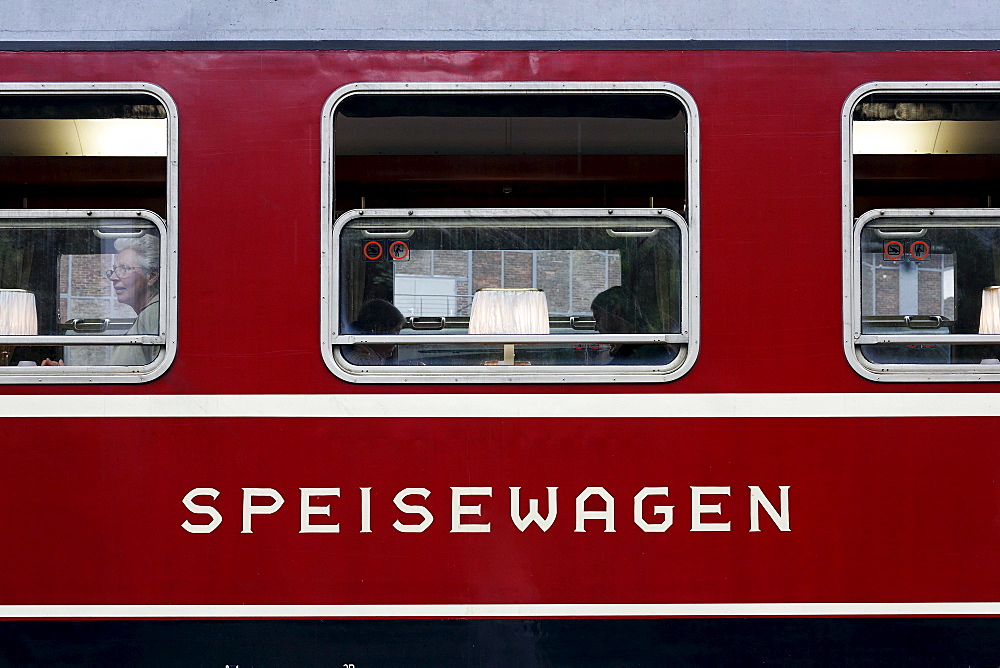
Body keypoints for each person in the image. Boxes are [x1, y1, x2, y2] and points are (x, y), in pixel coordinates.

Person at [43, 234, 160, 367]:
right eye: (114, 270)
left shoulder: (154, 316)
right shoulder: (146, 316)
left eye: (123, 269)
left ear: (152, 275)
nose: (113, 277)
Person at [590, 286, 671, 365]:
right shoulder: (637, 345)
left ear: (616, 312)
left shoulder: (644, 351)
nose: (595, 327)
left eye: (598, 318)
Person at [341, 299, 405, 366]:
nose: (397, 339)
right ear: (381, 331)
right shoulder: (364, 361)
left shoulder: (370, 356)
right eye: (397, 331)